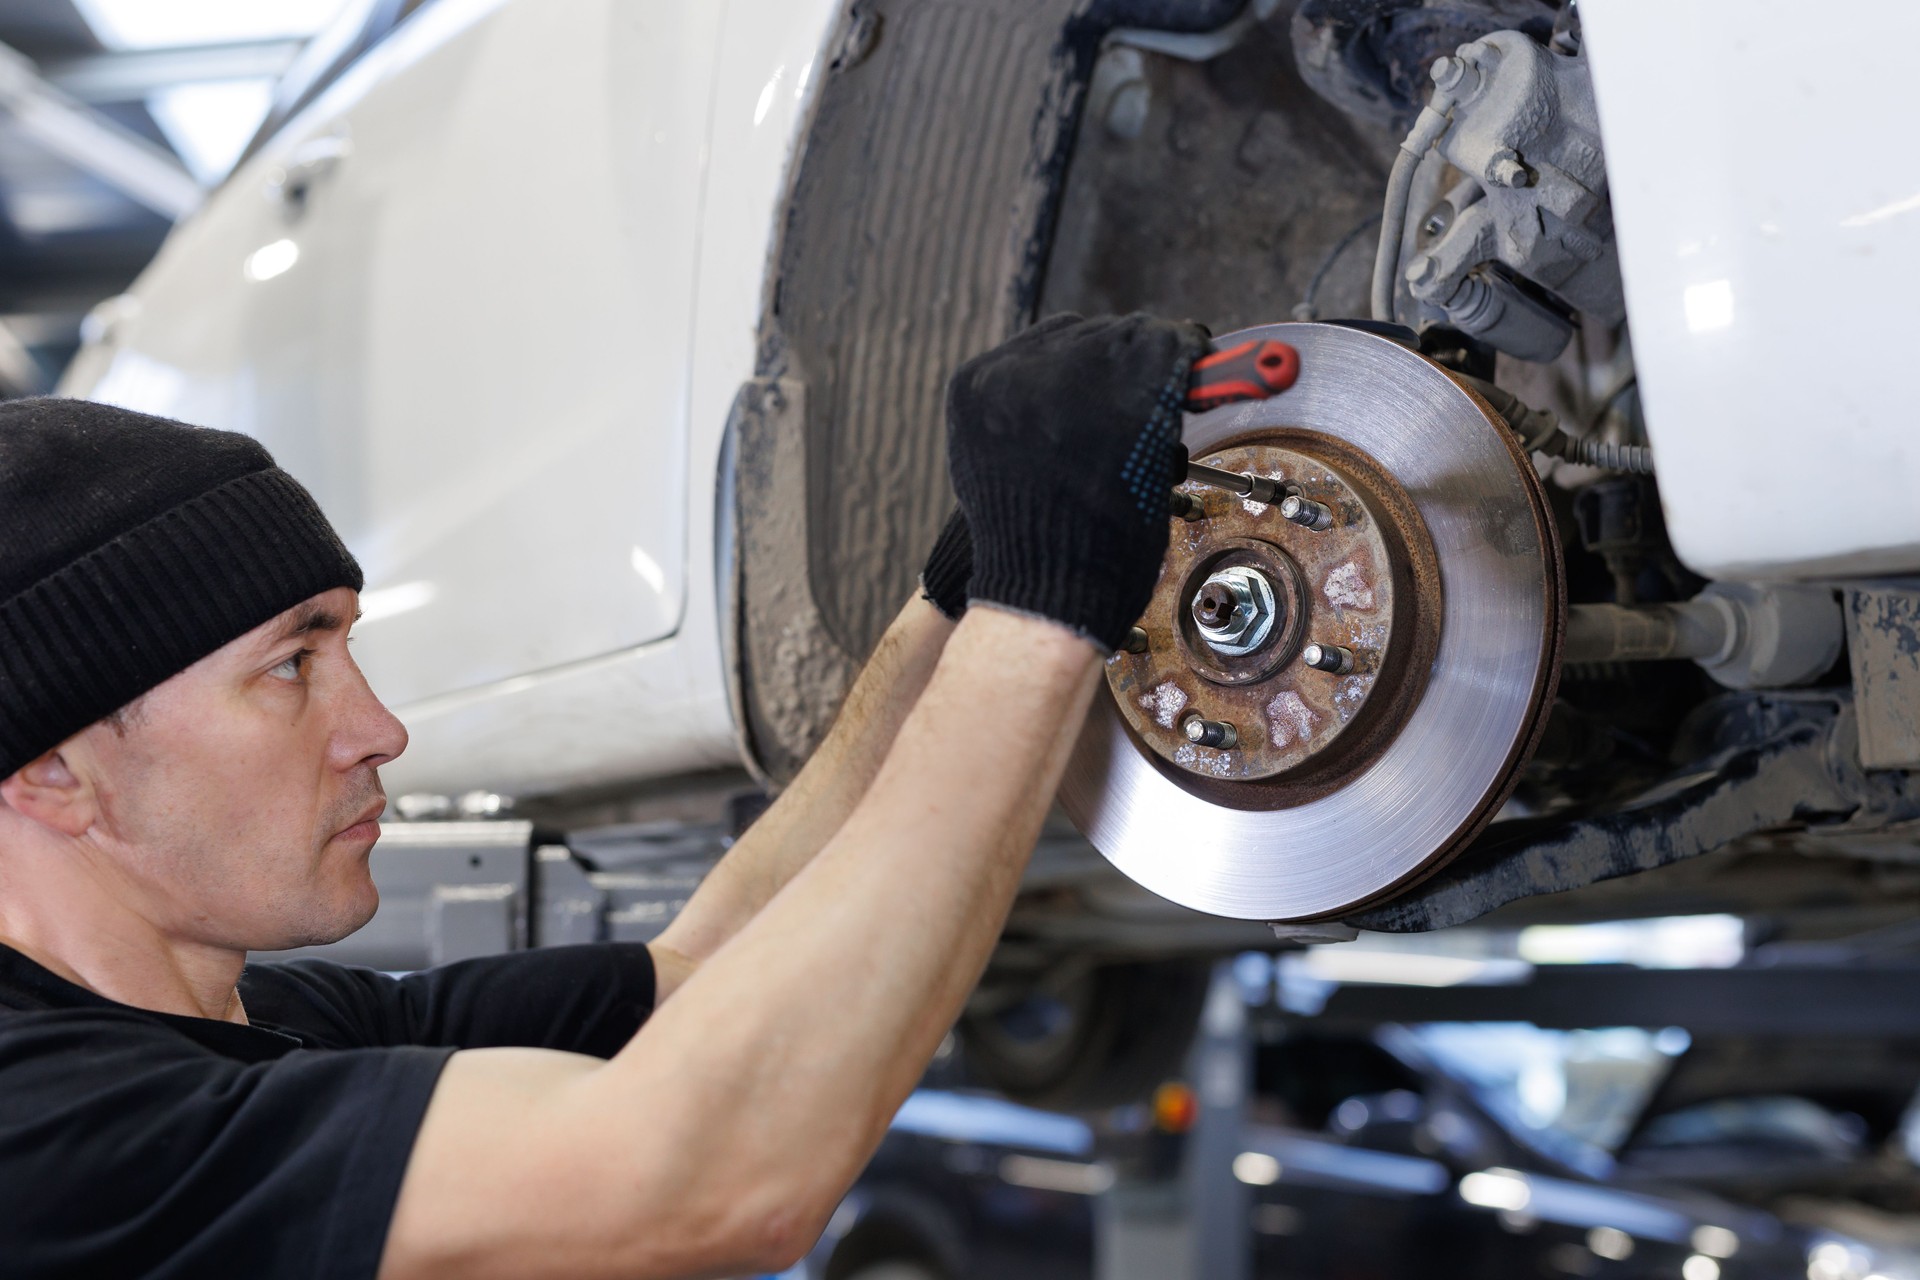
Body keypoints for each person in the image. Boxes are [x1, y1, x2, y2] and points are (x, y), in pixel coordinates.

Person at [0, 313, 1205, 1280]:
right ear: (53, 769)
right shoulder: (46, 1132)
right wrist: (1046, 609)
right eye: (291, 665)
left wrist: (961, 596)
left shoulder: (258, 1021)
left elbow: (700, 971)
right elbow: (714, 1176)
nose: (379, 729)